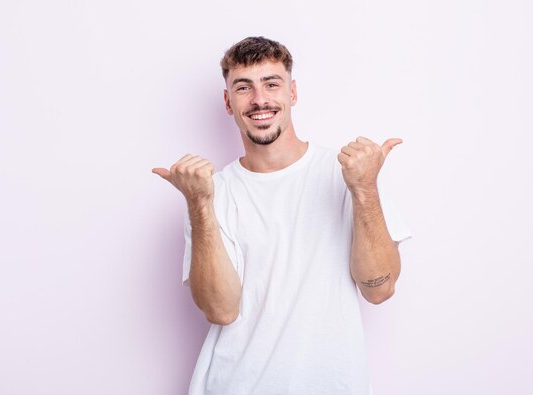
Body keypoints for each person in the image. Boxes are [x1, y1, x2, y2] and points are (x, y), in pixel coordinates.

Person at [152, 36, 411, 395]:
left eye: (271, 83)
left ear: (292, 93)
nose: (259, 99)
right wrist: (199, 204)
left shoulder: (350, 174)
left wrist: (365, 187)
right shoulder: (211, 192)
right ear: (228, 102)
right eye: (244, 88)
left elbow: (380, 289)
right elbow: (221, 310)